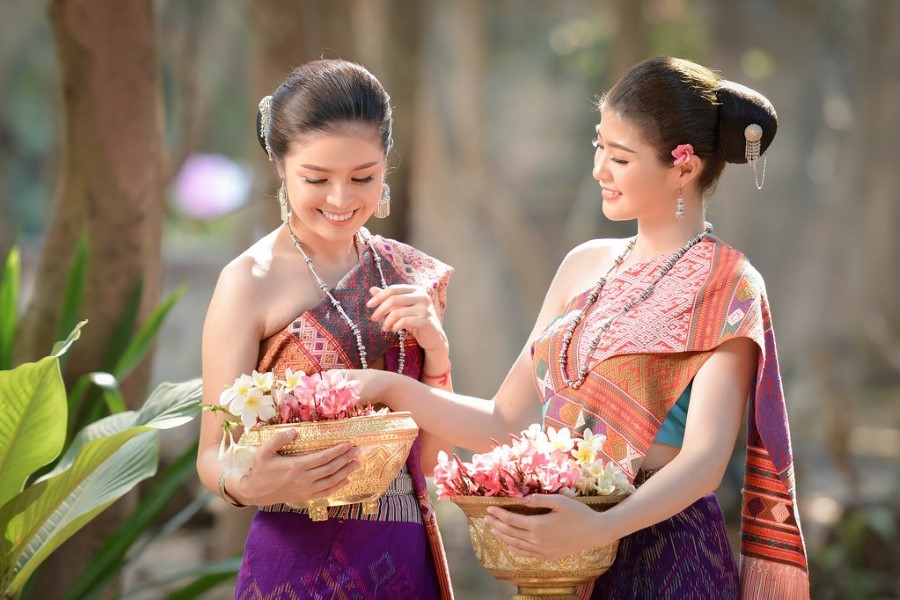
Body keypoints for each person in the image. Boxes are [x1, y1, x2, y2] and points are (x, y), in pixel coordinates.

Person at [356, 57, 809, 598]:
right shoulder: (584, 264)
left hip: (665, 555)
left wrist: (598, 527)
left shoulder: (728, 284)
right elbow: (502, 420)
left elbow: (706, 461)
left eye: (619, 157)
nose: (599, 169)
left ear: (684, 167)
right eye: (599, 146)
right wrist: (390, 389)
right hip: (560, 552)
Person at [196, 59, 454, 599]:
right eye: (316, 179)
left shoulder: (408, 277)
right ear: (281, 169)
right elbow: (213, 455)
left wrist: (435, 352)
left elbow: (431, 463)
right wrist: (248, 483)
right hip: (297, 560)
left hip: (404, 558)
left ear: (386, 165)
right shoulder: (250, 281)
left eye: (363, 177)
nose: (341, 200)